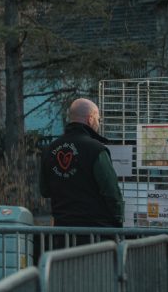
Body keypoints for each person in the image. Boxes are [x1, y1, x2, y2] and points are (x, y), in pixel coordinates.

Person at [39, 98, 124, 233]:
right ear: (90, 119)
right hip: (95, 232)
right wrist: (118, 221)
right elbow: (111, 192)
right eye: (98, 119)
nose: (98, 123)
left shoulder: (49, 149)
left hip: (62, 231)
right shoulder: (96, 150)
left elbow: (44, 190)